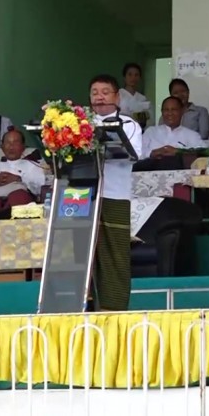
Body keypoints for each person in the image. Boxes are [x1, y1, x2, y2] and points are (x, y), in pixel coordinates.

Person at [89, 74, 143, 311]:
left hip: (114, 195)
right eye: (94, 93)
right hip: (81, 196)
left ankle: (113, 310)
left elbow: (134, 154)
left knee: (115, 255)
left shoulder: (129, 125)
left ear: (117, 97)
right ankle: (82, 306)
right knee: (81, 253)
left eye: (105, 92)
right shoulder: (78, 124)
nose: (99, 97)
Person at [0, 130, 46, 221]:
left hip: (19, 201)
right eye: (8, 143)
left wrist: (18, 179)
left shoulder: (32, 166)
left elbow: (40, 189)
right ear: (2, 147)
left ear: (23, 147)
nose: (11, 147)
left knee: (18, 196)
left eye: (15, 142)